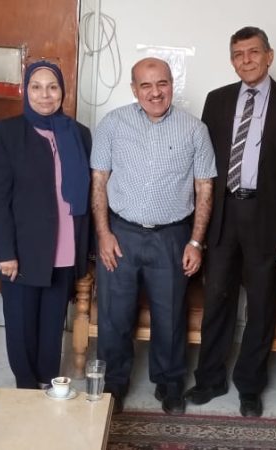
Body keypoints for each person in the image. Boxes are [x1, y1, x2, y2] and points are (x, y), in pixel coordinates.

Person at [186, 26, 276, 418]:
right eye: (238, 54)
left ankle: (250, 387)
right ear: (231, 60)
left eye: (254, 52)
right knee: (217, 300)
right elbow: (203, 165)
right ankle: (209, 379)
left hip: (266, 219)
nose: (246, 60)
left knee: (261, 306)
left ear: (269, 56)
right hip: (223, 215)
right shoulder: (217, 100)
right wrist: (199, 225)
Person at [90, 57, 216, 415]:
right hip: (121, 234)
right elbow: (98, 181)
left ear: (172, 85)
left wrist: (195, 242)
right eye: (145, 85)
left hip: (172, 237)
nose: (155, 92)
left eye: (162, 83)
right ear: (134, 89)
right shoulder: (113, 124)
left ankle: (170, 383)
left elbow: (205, 188)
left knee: (171, 315)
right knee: (114, 315)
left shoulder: (195, 129)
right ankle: (114, 384)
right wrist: (103, 233)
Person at [0, 61, 92, 392]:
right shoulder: (8, 132)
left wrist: (86, 253)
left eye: (52, 87)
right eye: (36, 87)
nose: (45, 95)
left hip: (66, 246)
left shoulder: (79, 134)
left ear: (63, 91)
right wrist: (4, 251)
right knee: (21, 322)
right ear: (25, 91)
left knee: (52, 322)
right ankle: (26, 386)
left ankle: (47, 381)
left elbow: (89, 195)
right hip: (23, 248)